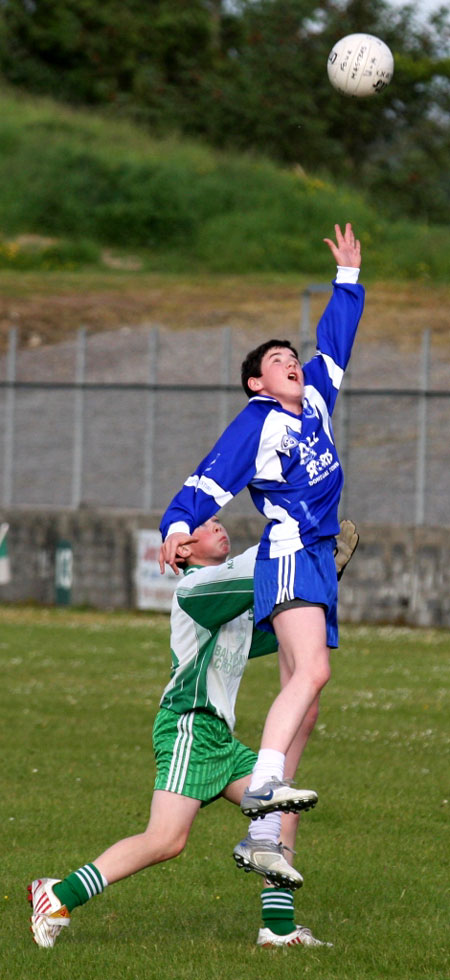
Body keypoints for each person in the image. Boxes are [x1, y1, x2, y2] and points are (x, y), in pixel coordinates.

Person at [29, 516, 348, 951]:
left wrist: (322, 580)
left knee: (282, 808)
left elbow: (288, 632)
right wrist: (303, 556)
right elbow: (265, 572)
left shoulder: (226, 598)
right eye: (208, 524)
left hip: (218, 736)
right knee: (166, 840)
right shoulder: (197, 590)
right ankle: (57, 895)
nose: (220, 528)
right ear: (182, 549)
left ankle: (277, 928)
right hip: (189, 727)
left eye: (219, 522)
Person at [159, 222, 364, 873]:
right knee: (314, 673)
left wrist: (348, 282)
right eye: (276, 361)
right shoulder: (259, 420)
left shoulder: (316, 405)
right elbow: (213, 474)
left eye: (291, 356)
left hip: (318, 559)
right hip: (289, 554)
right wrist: (177, 523)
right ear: (256, 384)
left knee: (306, 710)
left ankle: (266, 839)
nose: (291, 361)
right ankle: (266, 789)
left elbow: (334, 342)